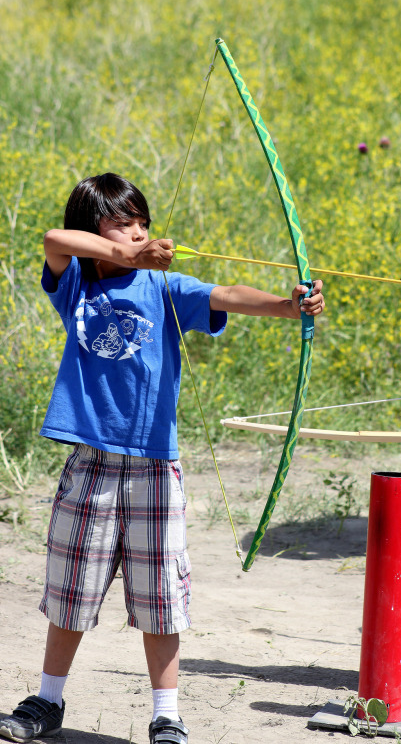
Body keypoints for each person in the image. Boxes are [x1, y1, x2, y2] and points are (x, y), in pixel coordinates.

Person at [0, 173, 325, 744]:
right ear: (95, 233)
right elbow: (55, 239)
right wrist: (126, 251)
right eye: (122, 223)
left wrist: (287, 304)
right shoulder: (75, 284)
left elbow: (224, 296)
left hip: (154, 468)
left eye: (143, 223)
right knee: (72, 588)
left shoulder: (164, 287)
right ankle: (47, 701)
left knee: (160, 598)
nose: (139, 234)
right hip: (91, 463)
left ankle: (166, 712)